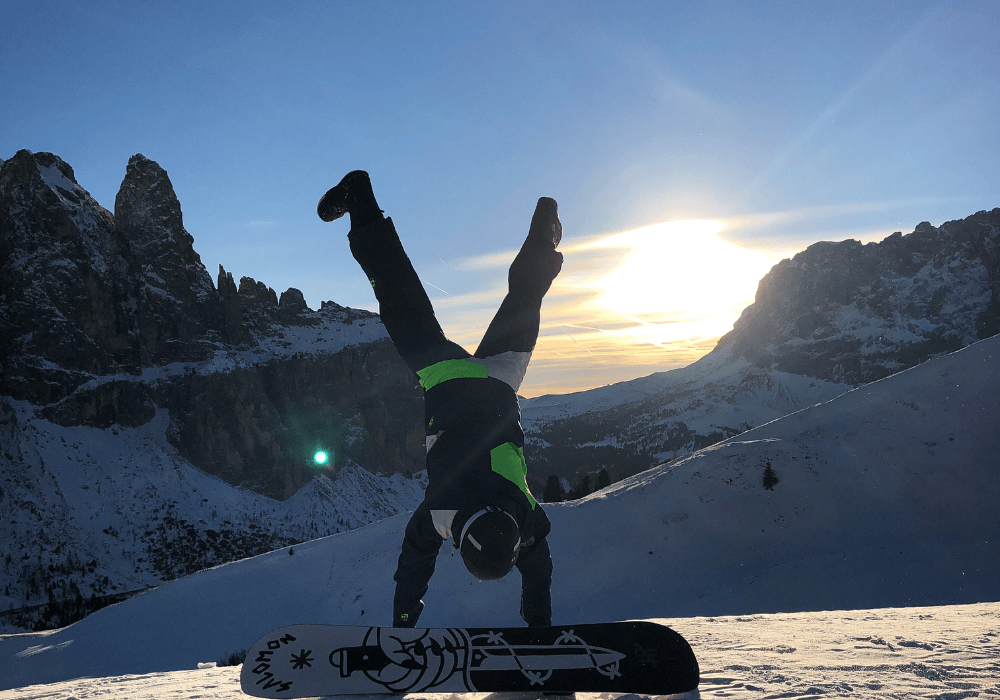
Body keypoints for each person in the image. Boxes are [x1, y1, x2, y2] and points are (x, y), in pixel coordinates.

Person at [317, 171, 563, 628]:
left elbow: (539, 573)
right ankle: (360, 202)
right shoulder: (441, 515)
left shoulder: (525, 517)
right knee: (399, 296)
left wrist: (540, 623)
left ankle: (545, 232)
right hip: (447, 379)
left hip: (501, 375)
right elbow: (414, 564)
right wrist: (404, 620)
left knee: (525, 297)